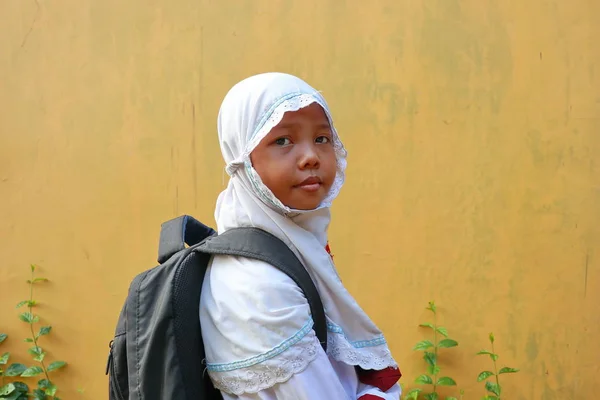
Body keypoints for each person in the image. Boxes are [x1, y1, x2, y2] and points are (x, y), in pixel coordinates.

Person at [200, 72, 401, 399]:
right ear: (242, 159)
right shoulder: (258, 285)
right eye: (282, 140)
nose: (311, 157)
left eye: (322, 139)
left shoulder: (291, 246)